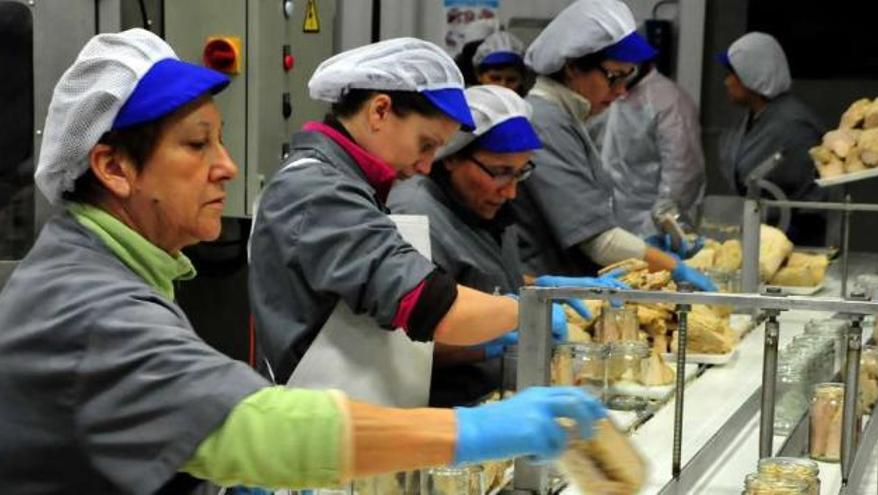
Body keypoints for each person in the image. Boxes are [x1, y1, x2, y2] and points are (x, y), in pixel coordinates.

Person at [0, 29, 606, 494]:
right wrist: (478, 433)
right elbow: (251, 426)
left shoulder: (107, 268)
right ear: (113, 168)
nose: (228, 166)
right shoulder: (87, 303)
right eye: (196, 143)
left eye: (220, 139)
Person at [388, 85, 627, 406]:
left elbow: (480, 278)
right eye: (499, 172)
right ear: (452, 157)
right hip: (445, 406)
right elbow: (403, 340)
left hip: (493, 392)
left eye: (520, 173)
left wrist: (540, 289)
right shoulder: (417, 214)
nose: (510, 191)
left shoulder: (485, 204)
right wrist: (493, 338)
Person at [510, 0, 717, 290]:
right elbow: (598, 241)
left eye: (628, 77)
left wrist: (648, 245)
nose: (620, 91)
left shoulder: (568, 117)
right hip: (544, 291)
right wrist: (674, 267)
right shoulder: (544, 124)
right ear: (572, 68)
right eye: (614, 77)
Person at [717, 32, 827, 246]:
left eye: (733, 74)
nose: (726, 82)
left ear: (754, 76)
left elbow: (802, 196)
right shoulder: (751, 117)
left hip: (794, 240)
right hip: (760, 231)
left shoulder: (793, 124)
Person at [590, 58, 706, 238]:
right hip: (613, 227)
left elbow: (682, 177)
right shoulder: (613, 95)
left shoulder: (668, 101)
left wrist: (652, 232)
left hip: (651, 230)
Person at [471, 31, 529, 95]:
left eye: (511, 80)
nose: (503, 86)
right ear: (479, 76)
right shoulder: (463, 102)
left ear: (522, 80)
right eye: (495, 78)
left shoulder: (527, 104)